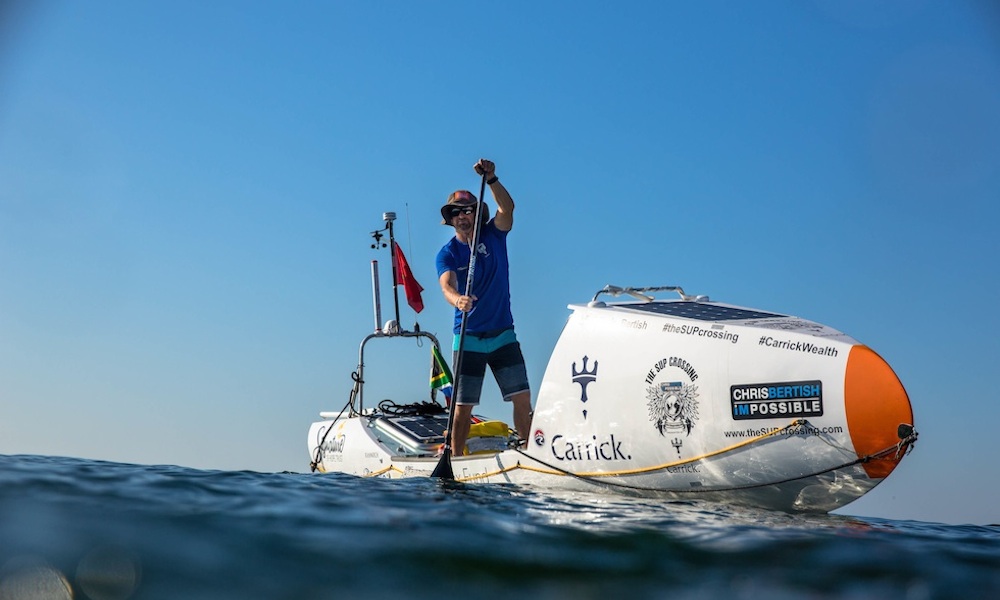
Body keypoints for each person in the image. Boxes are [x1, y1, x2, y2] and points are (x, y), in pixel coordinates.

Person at [436, 158, 532, 456]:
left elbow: (508, 209)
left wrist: (491, 179)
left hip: (503, 333)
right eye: (456, 213)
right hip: (469, 337)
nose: (463, 216)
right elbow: (446, 286)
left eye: (468, 211)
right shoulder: (447, 252)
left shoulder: (494, 233)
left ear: (477, 213)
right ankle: (455, 456)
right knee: (463, 407)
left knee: (522, 399)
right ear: (450, 219)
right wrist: (458, 300)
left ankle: (530, 452)